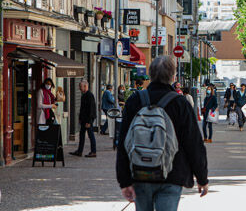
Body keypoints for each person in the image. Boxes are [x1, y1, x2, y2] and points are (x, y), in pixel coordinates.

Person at [116, 56, 208, 210]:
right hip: (172, 174)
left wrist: (124, 181)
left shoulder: (135, 101)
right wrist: (202, 178)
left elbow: (124, 140)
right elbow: (193, 142)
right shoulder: (180, 104)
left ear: (150, 75)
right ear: (173, 77)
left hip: (140, 173)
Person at [70, 80, 97, 157]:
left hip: (88, 120)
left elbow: (91, 109)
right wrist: (80, 118)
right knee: (81, 135)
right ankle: (79, 151)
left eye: (80, 86)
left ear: (85, 86)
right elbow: (82, 108)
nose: (79, 88)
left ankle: (93, 151)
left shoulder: (89, 95)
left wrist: (89, 121)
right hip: (84, 119)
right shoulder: (84, 95)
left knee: (91, 135)